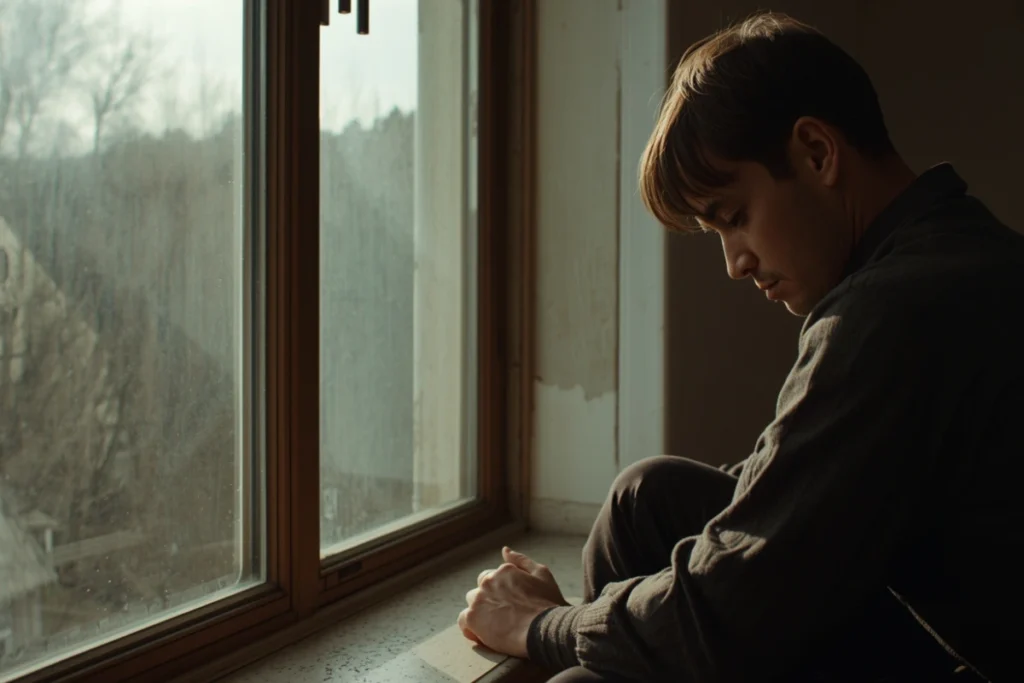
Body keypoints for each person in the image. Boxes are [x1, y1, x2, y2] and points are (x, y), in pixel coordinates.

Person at [457, 11, 1021, 682]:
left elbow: (730, 604)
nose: (735, 263)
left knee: (590, 676)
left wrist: (540, 625)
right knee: (648, 496)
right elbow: (787, 490)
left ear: (817, 152)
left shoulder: (892, 311)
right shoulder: (957, 245)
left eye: (733, 217)